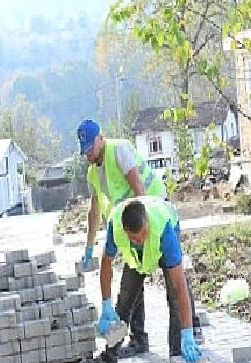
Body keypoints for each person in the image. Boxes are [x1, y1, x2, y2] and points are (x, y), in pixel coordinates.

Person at [76, 118, 167, 353]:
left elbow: (139, 190)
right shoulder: (93, 173)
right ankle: (137, 338)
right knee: (132, 275)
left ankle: (189, 328)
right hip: (126, 224)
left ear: (100, 138)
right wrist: (88, 247)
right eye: (84, 151)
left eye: (91, 149)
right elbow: (94, 212)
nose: (88, 155)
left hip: (153, 213)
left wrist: (144, 229)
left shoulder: (119, 149)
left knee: (167, 268)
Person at [97, 196, 201, 363]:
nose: (140, 240)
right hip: (137, 259)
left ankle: (177, 354)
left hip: (162, 242)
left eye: (143, 234)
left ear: (146, 223)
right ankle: (109, 355)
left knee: (174, 299)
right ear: (125, 231)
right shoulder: (115, 226)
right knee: (124, 302)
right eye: (134, 238)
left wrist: (188, 332)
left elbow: (180, 285)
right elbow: (106, 263)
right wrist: (105, 304)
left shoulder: (164, 228)